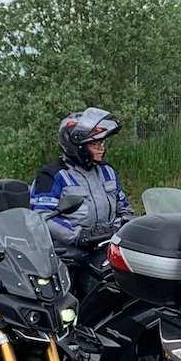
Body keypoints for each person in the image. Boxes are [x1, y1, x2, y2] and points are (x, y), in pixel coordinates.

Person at [30, 107, 135, 290]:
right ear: (77, 145)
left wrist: (125, 226)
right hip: (69, 255)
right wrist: (78, 235)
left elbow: (125, 209)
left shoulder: (107, 171)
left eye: (102, 142)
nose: (101, 147)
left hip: (106, 248)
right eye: (94, 144)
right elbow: (43, 217)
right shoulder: (52, 175)